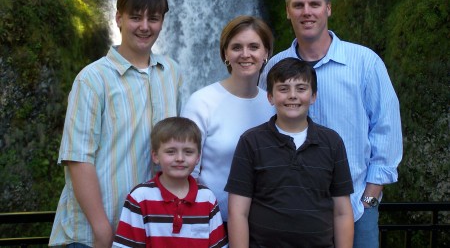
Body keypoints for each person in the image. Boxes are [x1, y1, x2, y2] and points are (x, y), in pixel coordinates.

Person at [258, 0, 403, 248]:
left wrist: (369, 199)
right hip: (292, 212)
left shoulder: (365, 63)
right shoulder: (274, 67)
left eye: (314, 3)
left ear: (328, 8)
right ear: (288, 12)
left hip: (356, 208)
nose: (307, 11)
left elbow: (387, 130)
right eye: (298, 5)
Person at [49, 0, 182, 248]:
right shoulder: (92, 79)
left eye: (153, 19)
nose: (144, 26)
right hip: (91, 235)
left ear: (162, 22)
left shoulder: (171, 72)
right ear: (119, 18)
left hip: (147, 232)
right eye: (135, 17)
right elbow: (77, 159)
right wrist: (103, 232)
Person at [226, 57, 354, 247]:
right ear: (270, 97)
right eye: (283, 89)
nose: (292, 95)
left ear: (313, 96)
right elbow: (238, 212)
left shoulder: (332, 142)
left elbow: (342, 212)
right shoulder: (251, 141)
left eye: (301, 89)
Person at [181, 15, 275, 226]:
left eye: (253, 46)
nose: (245, 54)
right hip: (210, 223)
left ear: (266, 53)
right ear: (225, 53)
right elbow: (186, 171)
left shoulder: (273, 105)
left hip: (264, 226)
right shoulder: (202, 102)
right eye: (236, 47)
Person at [113, 117, 228, 248]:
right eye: (171, 152)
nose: (180, 158)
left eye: (188, 152)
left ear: (198, 157)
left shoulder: (207, 199)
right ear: (155, 156)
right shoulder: (140, 197)